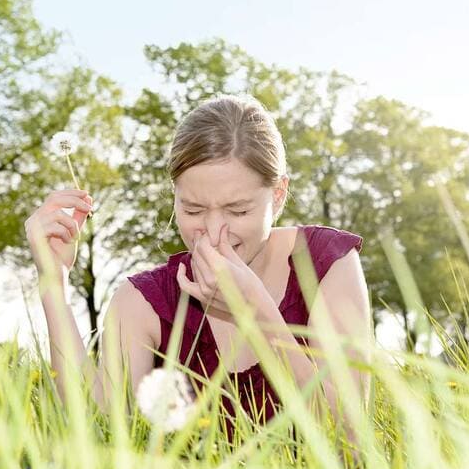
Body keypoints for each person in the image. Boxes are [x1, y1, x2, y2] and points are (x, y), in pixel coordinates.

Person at [24, 94, 372, 448]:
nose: (214, 231)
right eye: (192, 210)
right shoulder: (145, 300)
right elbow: (97, 430)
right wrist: (54, 284)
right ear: (174, 195)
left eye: (238, 211)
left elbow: (349, 437)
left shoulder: (325, 264)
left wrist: (256, 312)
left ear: (279, 194)